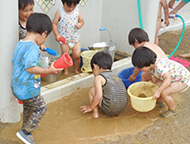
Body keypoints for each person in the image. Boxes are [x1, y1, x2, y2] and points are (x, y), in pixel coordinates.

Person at [11, 13, 63, 144]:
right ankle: (26, 132)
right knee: (41, 108)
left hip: (17, 86)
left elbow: (19, 60)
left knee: (29, 107)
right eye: (46, 37)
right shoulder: (33, 48)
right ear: (44, 33)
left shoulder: (21, 43)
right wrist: (48, 70)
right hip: (27, 87)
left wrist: (37, 45)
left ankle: (27, 125)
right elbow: (30, 68)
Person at [132, 46, 190, 118]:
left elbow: (168, 80)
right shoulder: (151, 65)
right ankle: (160, 102)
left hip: (182, 80)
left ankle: (172, 110)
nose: (139, 70)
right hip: (172, 76)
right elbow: (149, 77)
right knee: (156, 84)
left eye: (140, 68)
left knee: (164, 92)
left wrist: (158, 92)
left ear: (146, 65)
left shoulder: (159, 67)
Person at [80, 51, 128, 118]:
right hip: (122, 107)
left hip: (109, 108)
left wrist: (90, 107)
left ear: (95, 66)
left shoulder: (99, 77)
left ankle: (95, 113)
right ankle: (116, 113)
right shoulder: (114, 76)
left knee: (92, 91)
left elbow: (98, 95)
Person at [52, 0, 84, 75]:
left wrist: (80, 24)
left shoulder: (77, 11)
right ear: (63, 2)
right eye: (69, 6)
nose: (71, 8)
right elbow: (54, 23)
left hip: (75, 39)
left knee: (77, 55)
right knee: (65, 56)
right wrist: (56, 34)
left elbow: (82, 21)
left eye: (74, 6)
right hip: (64, 40)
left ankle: (77, 70)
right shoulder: (59, 12)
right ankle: (65, 71)